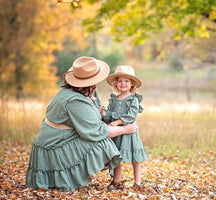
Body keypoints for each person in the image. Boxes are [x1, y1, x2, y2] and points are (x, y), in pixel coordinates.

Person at [25, 56, 138, 192]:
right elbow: (97, 131)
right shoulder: (74, 100)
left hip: (66, 136)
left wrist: (109, 117)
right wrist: (126, 129)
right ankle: (65, 177)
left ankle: (110, 179)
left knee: (106, 141)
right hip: (54, 144)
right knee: (103, 144)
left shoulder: (87, 91)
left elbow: (97, 114)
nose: (100, 80)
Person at [99, 65, 147, 191]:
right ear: (116, 83)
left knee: (135, 160)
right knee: (116, 158)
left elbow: (131, 116)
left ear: (132, 84)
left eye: (126, 81)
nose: (123, 83)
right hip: (117, 134)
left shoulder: (133, 99)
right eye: (120, 81)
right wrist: (104, 113)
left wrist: (117, 122)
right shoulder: (114, 99)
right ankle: (116, 182)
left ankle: (137, 183)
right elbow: (110, 114)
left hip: (129, 133)